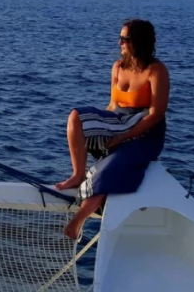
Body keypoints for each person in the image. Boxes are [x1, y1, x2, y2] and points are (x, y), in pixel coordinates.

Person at [55, 19, 169, 239]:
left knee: (110, 168)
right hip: (118, 121)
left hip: (145, 131)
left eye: (125, 39)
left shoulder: (156, 70)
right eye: (120, 38)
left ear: (139, 41)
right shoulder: (118, 66)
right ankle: (78, 174)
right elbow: (111, 105)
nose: (120, 42)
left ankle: (78, 221)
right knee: (77, 117)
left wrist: (123, 136)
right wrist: (104, 127)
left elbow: (156, 114)